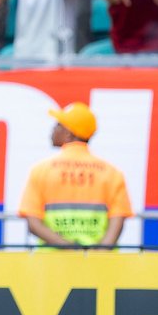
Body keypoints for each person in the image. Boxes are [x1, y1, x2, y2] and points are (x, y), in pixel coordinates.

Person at [19, 102, 131, 246]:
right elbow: (117, 221)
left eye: (58, 125)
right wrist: (96, 253)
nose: (53, 129)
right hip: (99, 264)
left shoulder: (41, 171)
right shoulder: (112, 173)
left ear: (69, 133)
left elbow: (33, 223)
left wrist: (70, 248)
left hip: (52, 262)